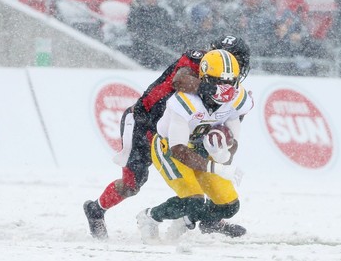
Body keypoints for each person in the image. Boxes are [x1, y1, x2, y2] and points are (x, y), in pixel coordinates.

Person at [83, 35, 251, 239]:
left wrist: (225, 140)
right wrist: (213, 88)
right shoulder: (199, 63)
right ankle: (96, 209)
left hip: (184, 128)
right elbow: (180, 81)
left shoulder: (228, 84)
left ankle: (209, 219)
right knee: (132, 183)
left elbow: (228, 120)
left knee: (206, 169)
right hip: (146, 123)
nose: (230, 68)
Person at [136, 49, 254, 243]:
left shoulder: (238, 98)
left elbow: (233, 142)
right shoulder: (185, 102)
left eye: (229, 82)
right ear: (204, 79)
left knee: (229, 205)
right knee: (194, 201)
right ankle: (150, 217)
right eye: (218, 81)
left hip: (201, 149)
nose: (225, 89)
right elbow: (179, 150)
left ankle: (192, 220)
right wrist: (216, 167)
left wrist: (223, 153)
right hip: (169, 149)